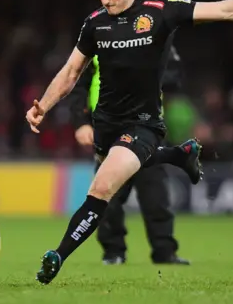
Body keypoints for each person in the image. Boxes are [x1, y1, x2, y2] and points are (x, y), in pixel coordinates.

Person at [25, 0, 233, 285]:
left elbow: (226, 9)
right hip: (105, 124)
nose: (104, 1)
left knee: (102, 187)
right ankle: (180, 155)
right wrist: (43, 106)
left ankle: (57, 256)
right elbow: (71, 72)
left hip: (143, 123)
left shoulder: (161, 11)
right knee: (119, 170)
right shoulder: (95, 23)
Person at [69, 32, 190, 266]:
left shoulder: (157, 40)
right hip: (109, 129)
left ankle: (164, 252)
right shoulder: (97, 38)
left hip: (148, 128)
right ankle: (113, 253)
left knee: (156, 196)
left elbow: (175, 76)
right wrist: (81, 123)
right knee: (107, 195)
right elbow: (77, 86)